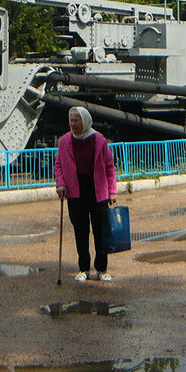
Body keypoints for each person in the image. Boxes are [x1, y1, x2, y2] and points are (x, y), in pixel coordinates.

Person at [54, 106, 118, 282]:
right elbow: (58, 165)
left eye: (76, 121)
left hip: (98, 191)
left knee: (100, 231)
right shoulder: (65, 141)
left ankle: (101, 269)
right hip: (75, 191)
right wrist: (60, 183)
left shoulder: (99, 140)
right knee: (80, 231)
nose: (73, 124)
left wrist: (112, 191)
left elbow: (109, 167)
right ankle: (83, 268)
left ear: (85, 121)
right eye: (71, 121)